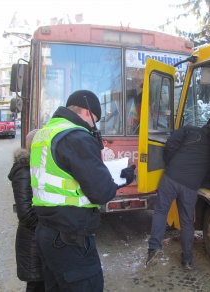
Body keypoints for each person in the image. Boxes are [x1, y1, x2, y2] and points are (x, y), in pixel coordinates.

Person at [30, 89, 135, 291]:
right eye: (95, 119)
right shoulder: (76, 137)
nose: (93, 126)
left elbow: (66, 175)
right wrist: (123, 178)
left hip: (46, 231)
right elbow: (102, 192)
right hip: (70, 239)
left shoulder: (46, 133)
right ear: (87, 112)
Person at [146, 118, 210, 270]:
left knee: (160, 211)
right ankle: (187, 261)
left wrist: (170, 162)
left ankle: (154, 247)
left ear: (206, 124)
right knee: (187, 223)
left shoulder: (190, 130)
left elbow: (170, 143)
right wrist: (198, 180)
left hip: (171, 178)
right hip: (190, 187)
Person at [8, 129, 45, 292]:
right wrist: (52, 221)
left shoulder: (34, 168)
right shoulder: (24, 171)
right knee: (36, 284)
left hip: (37, 240)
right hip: (31, 242)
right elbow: (27, 214)